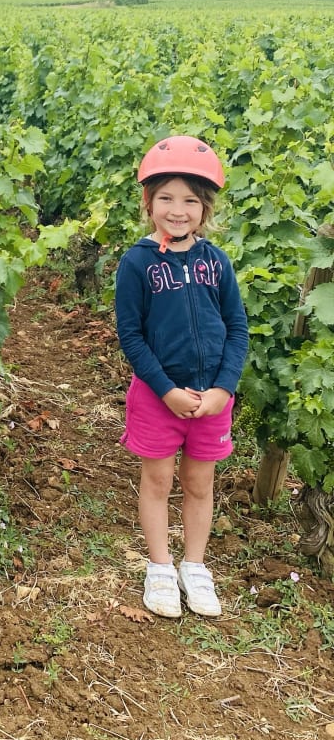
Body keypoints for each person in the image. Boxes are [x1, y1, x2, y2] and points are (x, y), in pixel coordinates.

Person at [114, 137, 249, 618]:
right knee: (158, 480)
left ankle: (195, 566)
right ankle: (160, 567)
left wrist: (223, 388)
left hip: (212, 400)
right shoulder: (137, 263)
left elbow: (237, 326)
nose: (178, 209)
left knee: (199, 484)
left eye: (190, 199)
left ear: (205, 207)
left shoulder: (216, 262)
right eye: (166, 198)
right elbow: (130, 336)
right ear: (149, 202)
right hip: (158, 398)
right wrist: (166, 390)